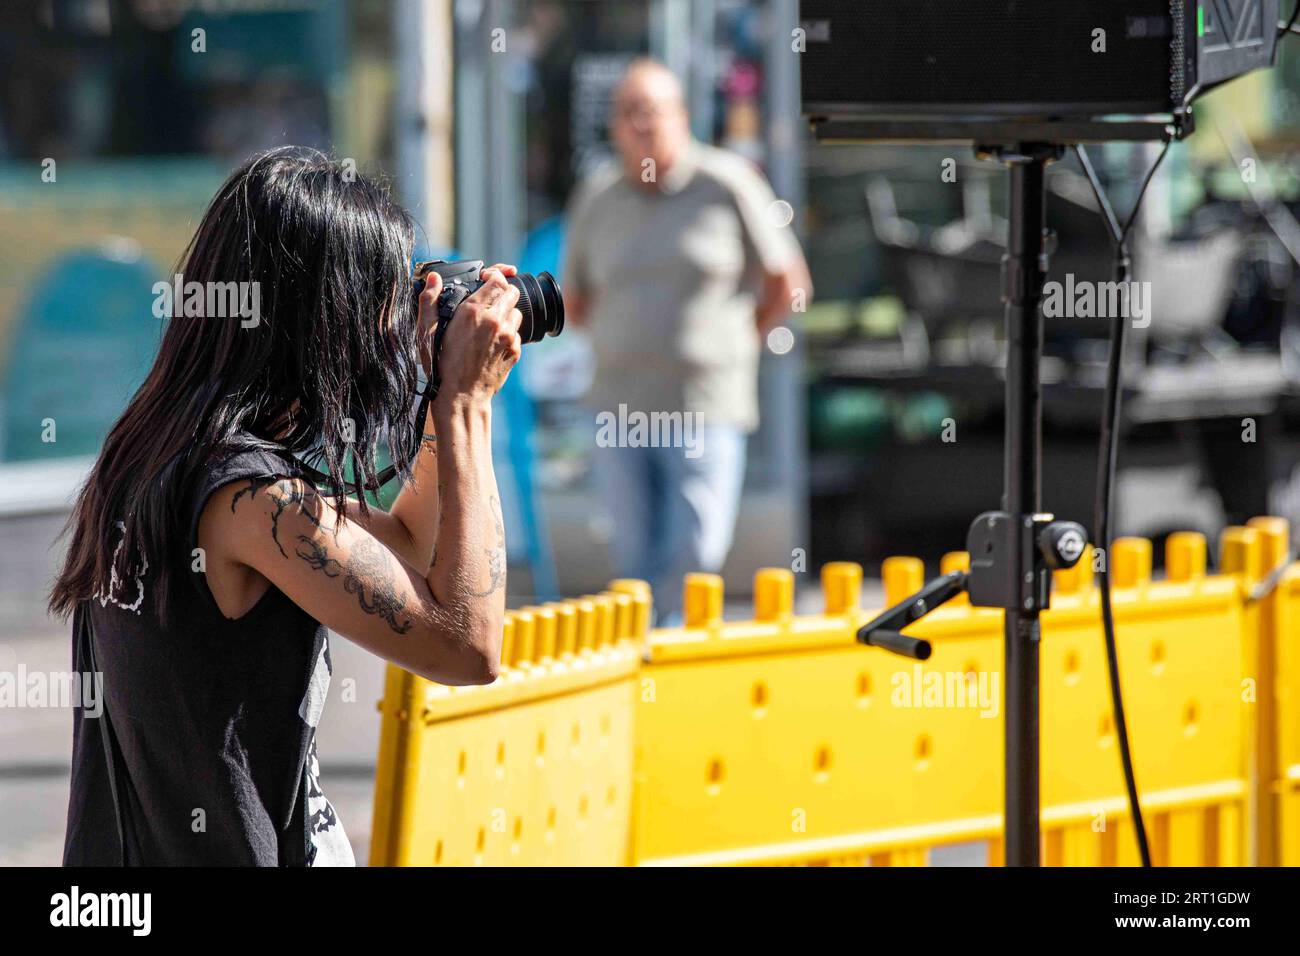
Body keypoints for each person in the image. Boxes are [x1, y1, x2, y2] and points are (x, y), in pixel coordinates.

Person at [51, 147, 524, 865]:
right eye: (383, 300)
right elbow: (468, 648)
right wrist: (465, 406)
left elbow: (405, 546)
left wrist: (436, 394)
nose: (394, 327)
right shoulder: (248, 496)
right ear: (326, 317)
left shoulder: (162, 455)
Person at [562, 59, 812, 623]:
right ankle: (644, 655)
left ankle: (664, 650)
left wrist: (739, 342)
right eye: (630, 113)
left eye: (654, 111)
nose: (643, 125)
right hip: (618, 405)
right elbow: (574, 300)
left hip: (703, 405)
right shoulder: (598, 196)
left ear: (682, 116)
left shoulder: (727, 183)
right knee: (633, 554)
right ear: (616, 127)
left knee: (695, 551)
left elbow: (790, 285)